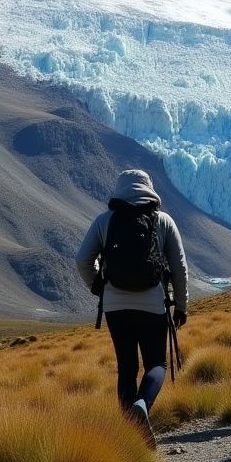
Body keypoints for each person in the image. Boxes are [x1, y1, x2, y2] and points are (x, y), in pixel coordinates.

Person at [76, 169, 188, 447]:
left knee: (126, 368)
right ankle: (143, 404)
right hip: (153, 305)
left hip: (116, 307)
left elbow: (82, 261)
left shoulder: (105, 221)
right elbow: (180, 268)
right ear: (149, 189)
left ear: (120, 189)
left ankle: (129, 434)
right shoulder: (163, 221)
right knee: (156, 363)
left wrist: (98, 287)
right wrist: (181, 306)